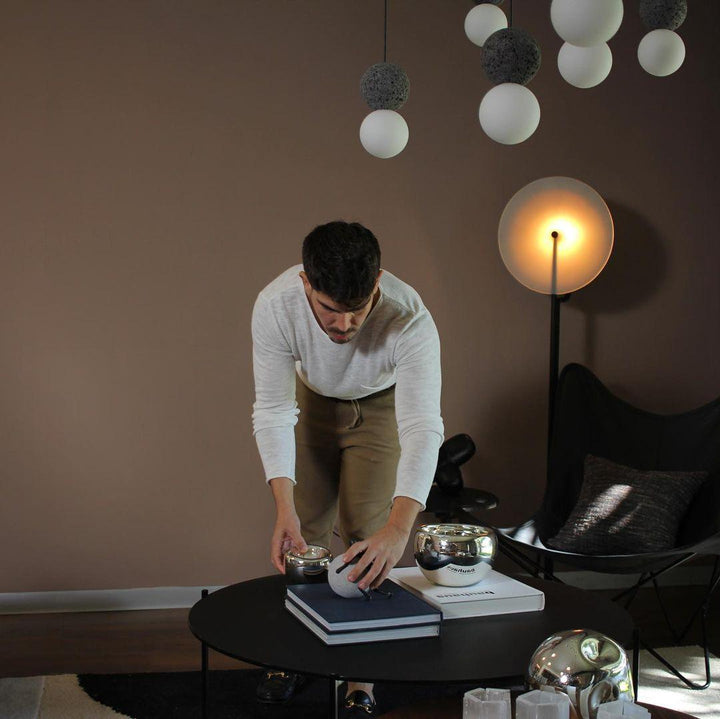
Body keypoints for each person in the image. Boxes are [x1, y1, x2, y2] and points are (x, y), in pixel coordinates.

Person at [251, 220, 443, 717]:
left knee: (367, 532)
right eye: (330, 310)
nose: (344, 325)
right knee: (304, 537)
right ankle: (294, 656)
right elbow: (273, 411)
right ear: (306, 284)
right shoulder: (275, 305)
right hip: (311, 401)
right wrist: (283, 508)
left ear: (377, 282)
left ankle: (361, 678)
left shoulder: (409, 316)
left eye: (357, 309)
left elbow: (422, 426)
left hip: (380, 405)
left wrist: (399, 530)